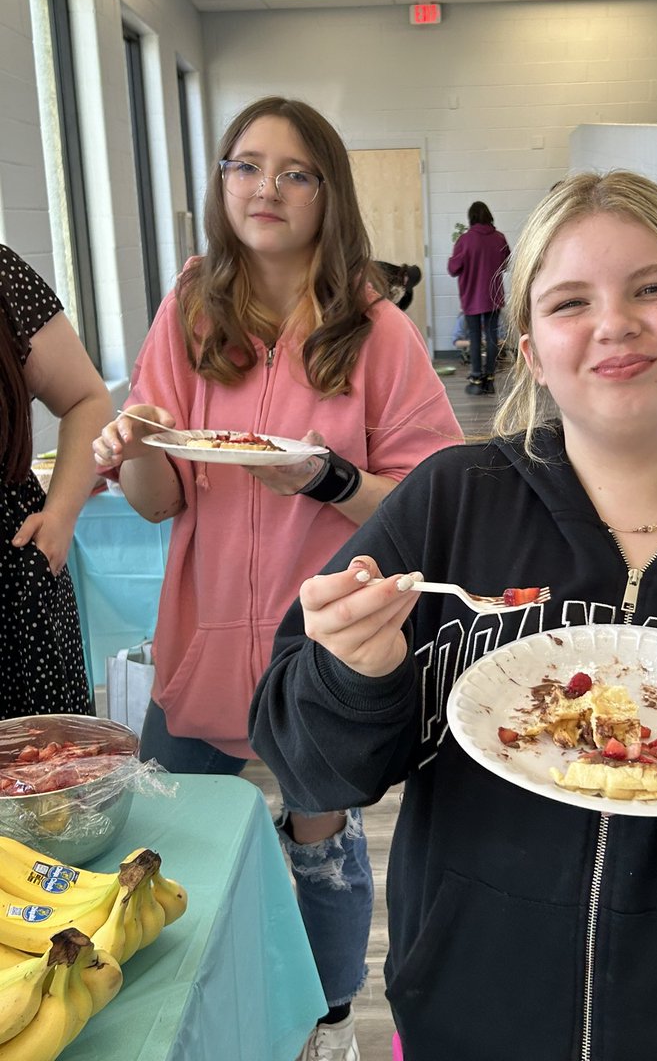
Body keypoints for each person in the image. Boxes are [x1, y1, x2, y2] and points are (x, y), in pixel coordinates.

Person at [249, 171, 657, 1061]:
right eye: (570, 302)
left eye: (653, 287)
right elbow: (306, 760)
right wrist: (352, 675)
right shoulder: (451, 504)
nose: (614, 323)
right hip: (464, 1023)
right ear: (530, 348)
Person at [91, 96, 463, 1061]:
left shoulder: (374, 330)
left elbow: (433, 499)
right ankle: (170, 1017)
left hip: (320, 654)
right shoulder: (191, 308)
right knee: (163, 848)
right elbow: (158, 500)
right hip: (202, 636)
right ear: (221, 182)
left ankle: (329, 1023)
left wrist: (326, 479)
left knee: (321, 849)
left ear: (328, 194)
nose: (267, 188)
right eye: (246, 166)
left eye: (296, 172)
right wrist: (133, 444)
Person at [0, 243, 112, 718]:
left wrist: (61, 517)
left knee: (43, 758)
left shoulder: (3, 276)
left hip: (13, 580)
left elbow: (87, 398)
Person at [447, 200, 509, 395]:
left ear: (471, 218)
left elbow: (453, 269)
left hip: (472, 296)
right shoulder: (499, 238)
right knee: (492, 336)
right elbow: (506, 264)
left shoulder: (465, 240)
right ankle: (489, 380)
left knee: (474, 337)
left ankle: (475, 380)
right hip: (493, 295)